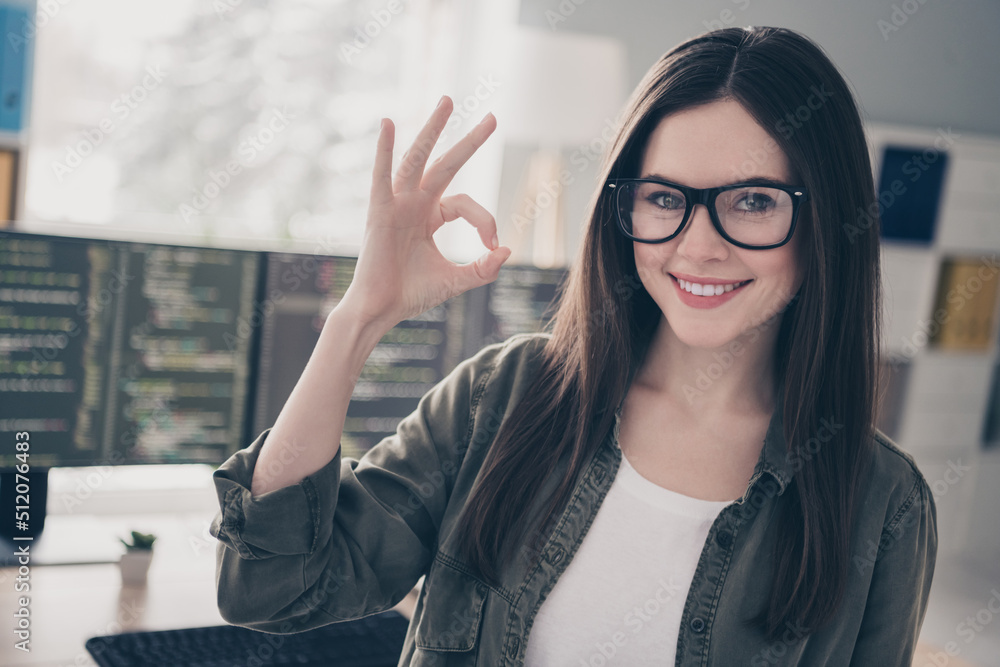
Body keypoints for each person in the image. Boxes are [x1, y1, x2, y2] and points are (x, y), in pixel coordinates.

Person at [211, 25, 937, 666]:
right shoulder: (503, 394)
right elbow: (272, 590)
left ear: (825, 224)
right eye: (664, 197)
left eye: (753, 201)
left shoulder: (883, 503)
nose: (698, 245)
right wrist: (357, 319)